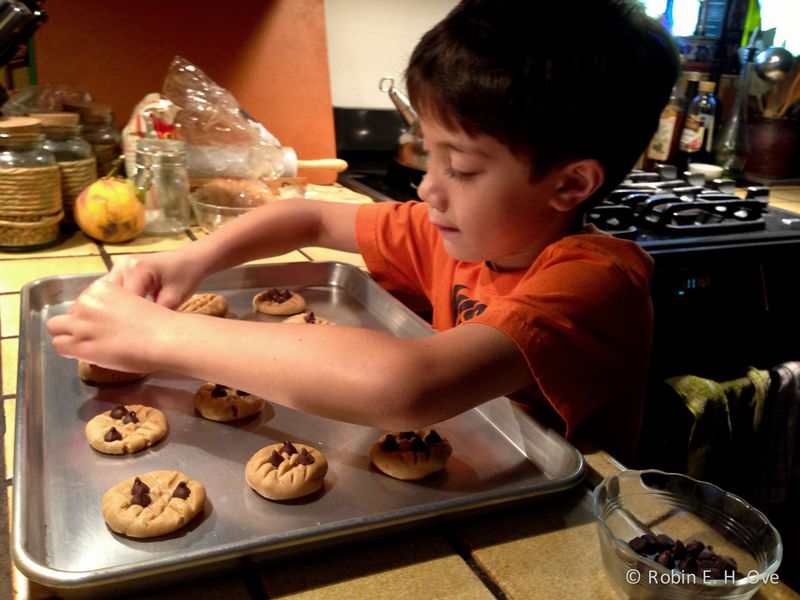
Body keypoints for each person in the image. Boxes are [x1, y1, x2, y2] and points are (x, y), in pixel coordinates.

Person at [47, 0, 679, 464]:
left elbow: (406, 385)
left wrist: (156, 335)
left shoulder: (595, 283)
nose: (427, 189)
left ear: (570, 185)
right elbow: (310, 215)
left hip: (577, 523)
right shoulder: (456, 230)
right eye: (426, 156)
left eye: (459, 168)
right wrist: (194, 262)